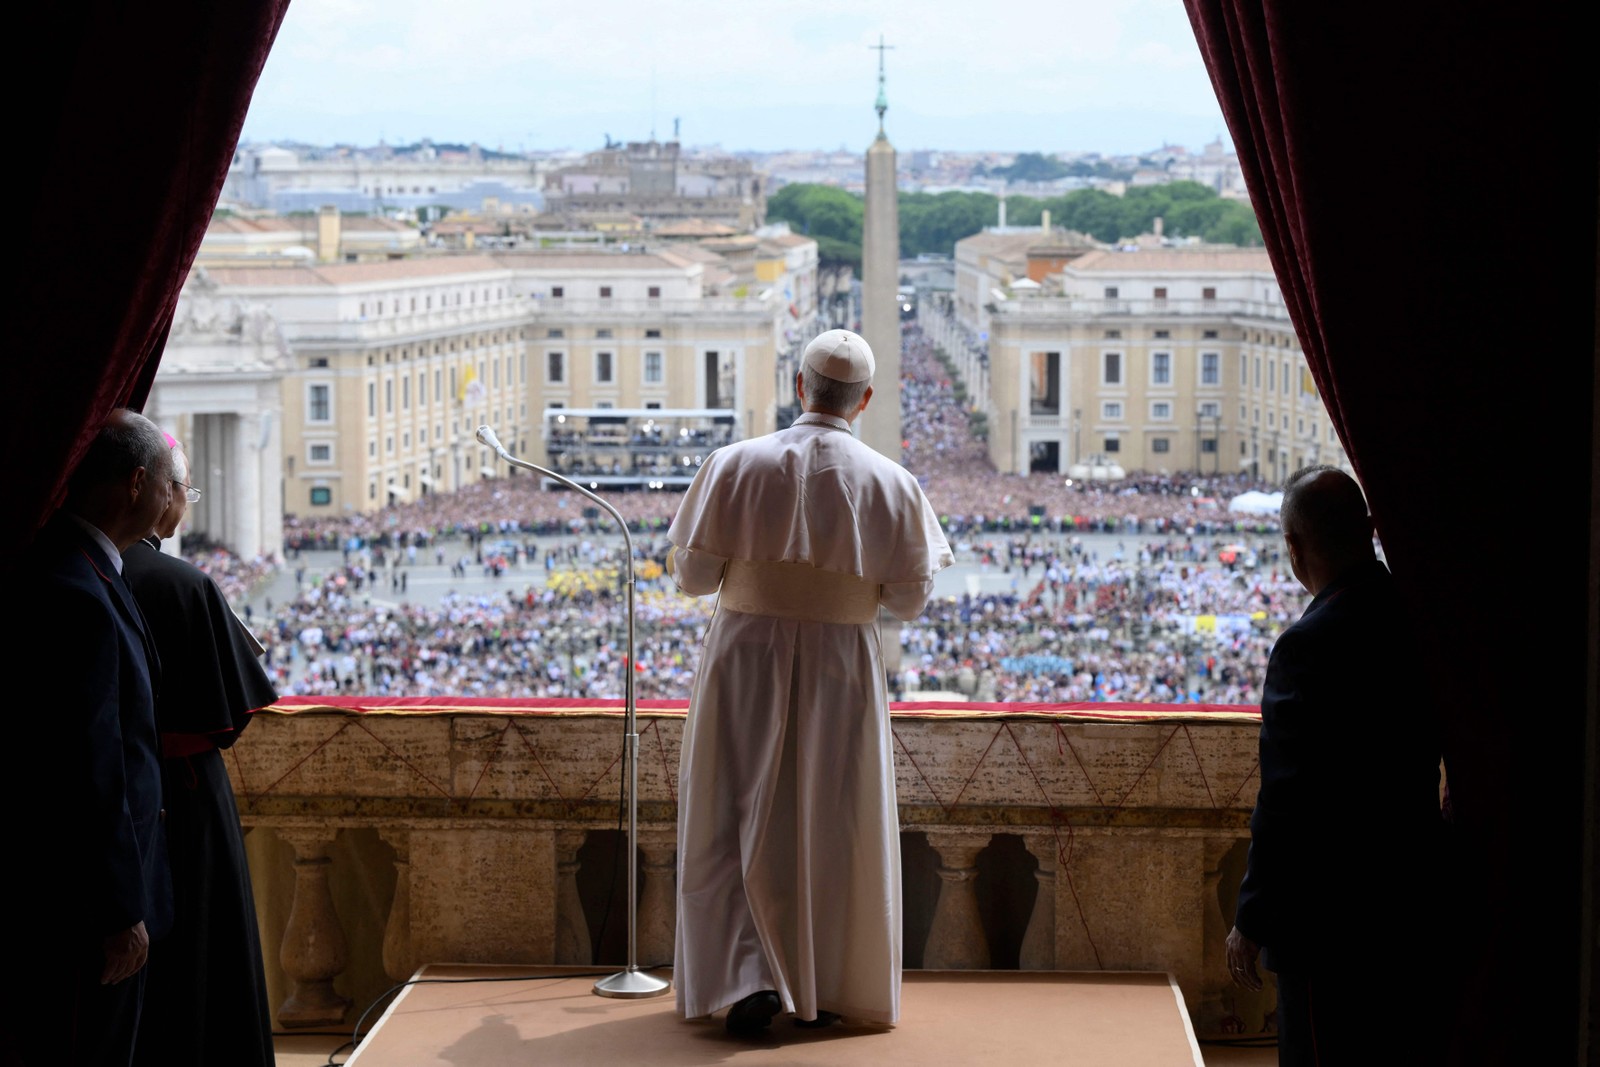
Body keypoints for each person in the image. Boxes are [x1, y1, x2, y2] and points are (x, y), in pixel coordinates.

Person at [667, 329, 953, 1034]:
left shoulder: (731, 464)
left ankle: (740, 979)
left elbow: (693, 577)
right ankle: (825, 978)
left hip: (744, 657)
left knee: (730, 814)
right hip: (840, 667)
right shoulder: (894, 482)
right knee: (835, 816)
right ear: (866, 401)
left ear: (799, 386)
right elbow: (909, 600)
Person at [1225, 466, 1444, 1065]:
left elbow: (1288, 799)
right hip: (1414, 899)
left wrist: (1252, 913)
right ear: (1369, 531)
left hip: (1328, 922)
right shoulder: (1419, 617)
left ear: (1294, 548)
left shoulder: (1308, 643)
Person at [12, 409, 174, 1065]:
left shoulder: (90, 568)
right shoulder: (74, 587)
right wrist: (119, 909)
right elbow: (92, 765)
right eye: (167, 485)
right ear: (136, 482)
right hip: (88, 910)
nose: (170, 504)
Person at [123, 439, 279, 1067]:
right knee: (200, 963)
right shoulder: (183, 583)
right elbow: (232, 712)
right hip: (185, 800)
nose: (184, 503)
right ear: (154, 492)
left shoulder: (67, 569)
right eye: (182, 489)